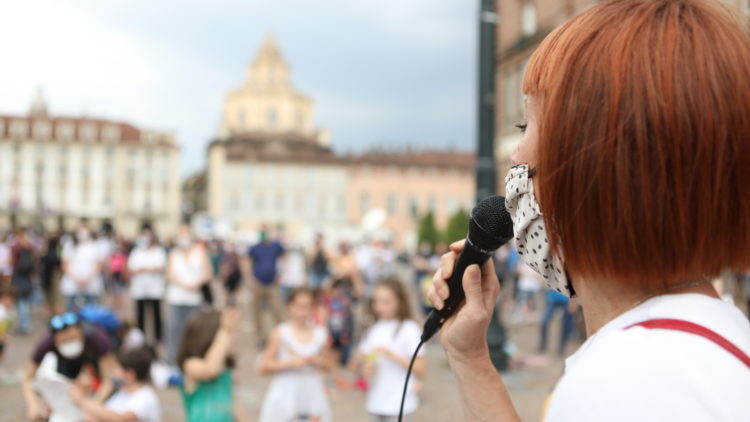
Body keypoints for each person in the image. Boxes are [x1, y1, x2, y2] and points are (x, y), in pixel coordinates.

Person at [426, 1, 750, 420]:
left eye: (527, 127)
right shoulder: (694, 342)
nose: (516, 156)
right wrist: (470, 358)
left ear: (590, 162)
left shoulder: (628, 380)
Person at [352, 278, 426, 422]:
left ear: (400, 301)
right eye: (376, 302)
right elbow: (362, 362)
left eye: (386, 302)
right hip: (376, 401)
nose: (379, 307)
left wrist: (391, 354)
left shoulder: (409, 328)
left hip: (400, 403)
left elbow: (421, 369)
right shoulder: (372, 329)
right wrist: (363, 368)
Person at [22, 312, 116, 420]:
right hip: (66, 369)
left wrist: (92, 405)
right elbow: (27, 378)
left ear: (81, 331)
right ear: (55, 340)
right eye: (63, 341)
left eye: (72, 338)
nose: (69, 342)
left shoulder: (97, 338)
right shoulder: (45, 343)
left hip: (93, 364)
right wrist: (33, 405)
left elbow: (108, 381)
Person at [258, 287, 332, 422]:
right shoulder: (281, 332)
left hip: (311, 394)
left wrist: (319, 362)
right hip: (285, 394)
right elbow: (264, 366)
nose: (302, 312)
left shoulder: (320, 333)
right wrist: (290, 363)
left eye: (307, 307)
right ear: (289, 307)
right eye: (299, 306)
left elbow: (329, 364)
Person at [177, 309, 240, 422]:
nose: (232, 339)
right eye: (230, 334)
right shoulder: (190, 365)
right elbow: (211, 370)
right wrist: (225, 330)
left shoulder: (225, 369)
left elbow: (232, 406)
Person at [70, 346, 161, 422]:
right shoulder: (123, 392)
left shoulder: (145, 397)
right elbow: (102, 414)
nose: (112, 373)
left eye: (116, 369)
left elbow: (120, 419)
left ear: (130, 374)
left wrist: (82, 401)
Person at [165, 225, 211, 364]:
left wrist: (197, 283)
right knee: (174, 330)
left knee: (194, 329)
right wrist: (184, 284)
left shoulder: (200, 252)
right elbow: (170, 274)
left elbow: (207, 273)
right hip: (176, 298)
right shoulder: (174, 254)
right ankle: (172, 359)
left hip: (194, 299)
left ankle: (193, 357)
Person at [242, 227, 284, 346]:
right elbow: (247, 261)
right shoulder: (255, 248)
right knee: (257, 312)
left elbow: (283, 259)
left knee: (277, 309)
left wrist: (281, 274)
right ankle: (261, 337)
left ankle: (281, 335)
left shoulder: (275, 246)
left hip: (272, 284)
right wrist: (250, 277)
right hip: (258, 284)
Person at [128, 226, 166, 345]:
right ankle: (140, 337)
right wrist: (148, 269)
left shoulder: (158, 251)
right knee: (140, 315)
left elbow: (159, 268)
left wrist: (143, 269)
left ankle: (158, 337)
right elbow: (132, 268)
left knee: (156, 314)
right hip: (140, 289)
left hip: (155, 289)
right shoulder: (136, 251)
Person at [61, 224, 104, 311]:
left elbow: (98, 265)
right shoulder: (69, 246)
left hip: (91, 287)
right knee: (71, 313)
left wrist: (87, 279)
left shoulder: (94, 247)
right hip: (72, 286)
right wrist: (76, 280)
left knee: (91, 313)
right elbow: (65, 264)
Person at [11, 227, 36, 334]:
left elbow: (11, 261)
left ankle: (24, 324)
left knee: (21, 301)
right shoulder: (29, 246)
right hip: (27, 276)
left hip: (18, 275)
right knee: (25, 300)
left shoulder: (16, 246)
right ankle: (25, 323)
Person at [538, 290, 575, 356]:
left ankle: (561, 348)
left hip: (566, 300)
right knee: (544, 322)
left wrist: (572, 302)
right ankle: (542, 346)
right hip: (552, 298)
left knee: (565, 325)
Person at [40, 234, 62, 316]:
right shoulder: (54, 255)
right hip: (51, 279)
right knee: (54, 300)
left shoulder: (46, 254)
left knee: (49, 301)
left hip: (46, 279)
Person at [219, 242, 242, 307]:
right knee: (227, 290)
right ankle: (228, 303)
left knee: (233, 291)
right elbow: (222, 266)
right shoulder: (224, 255)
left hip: (235, 275)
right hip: (228, 276)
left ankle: (232, 303)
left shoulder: (235, 255)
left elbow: (238, 266)